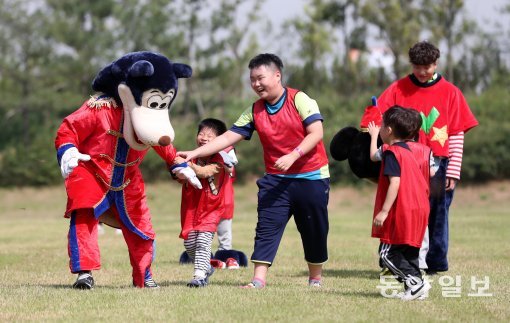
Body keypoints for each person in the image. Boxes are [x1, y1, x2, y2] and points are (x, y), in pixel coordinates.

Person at [177, 53, 330, 289]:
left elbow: (316, 133)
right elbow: (229, 136)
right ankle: (258, 280)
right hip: (276, 180)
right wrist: (194, 153)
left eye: (261, 78)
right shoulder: (255, 111)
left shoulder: (300, 100)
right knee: (266, 227)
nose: (256, 84)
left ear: (277, 75)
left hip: (311, 177)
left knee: (313, 231)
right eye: (252, 80)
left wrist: (293, 155)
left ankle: (315, 278)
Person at [377, 41, 478, 274]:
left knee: (437, 213)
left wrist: (453, 170)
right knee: (398, 211)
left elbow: (456, 133)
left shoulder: (451, 92)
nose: (422, 72)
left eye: (427, 66)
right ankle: (394, 261)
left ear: (436, 63)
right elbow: (379, 120)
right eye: (417, 67)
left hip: (439, 163)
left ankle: (434, 263)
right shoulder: (397, 89)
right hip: (404, 162)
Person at [368, 106, 432, 301]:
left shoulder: (392, 153)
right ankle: (415, 289)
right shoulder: (411, 151)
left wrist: (384, 211)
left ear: (388, 131)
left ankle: (416, 283)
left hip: (404, 208)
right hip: (419, 208)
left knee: (387, 254)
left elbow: (395, 183)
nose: (379, 129)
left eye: (381, 126)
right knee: (409, 251)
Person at [175, 118, 237, 287]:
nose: (203, 138)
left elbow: (205, 172)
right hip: (191, 207)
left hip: (211, 208)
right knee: (189, 244)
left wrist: (188, 165)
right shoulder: (192, 156)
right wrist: (177, 169)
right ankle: (207, 266)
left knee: (203, 241)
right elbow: (179, 177)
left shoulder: (220, 159)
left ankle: (199, 276)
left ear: (219, 140)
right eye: (201, 133)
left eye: (209, 136)